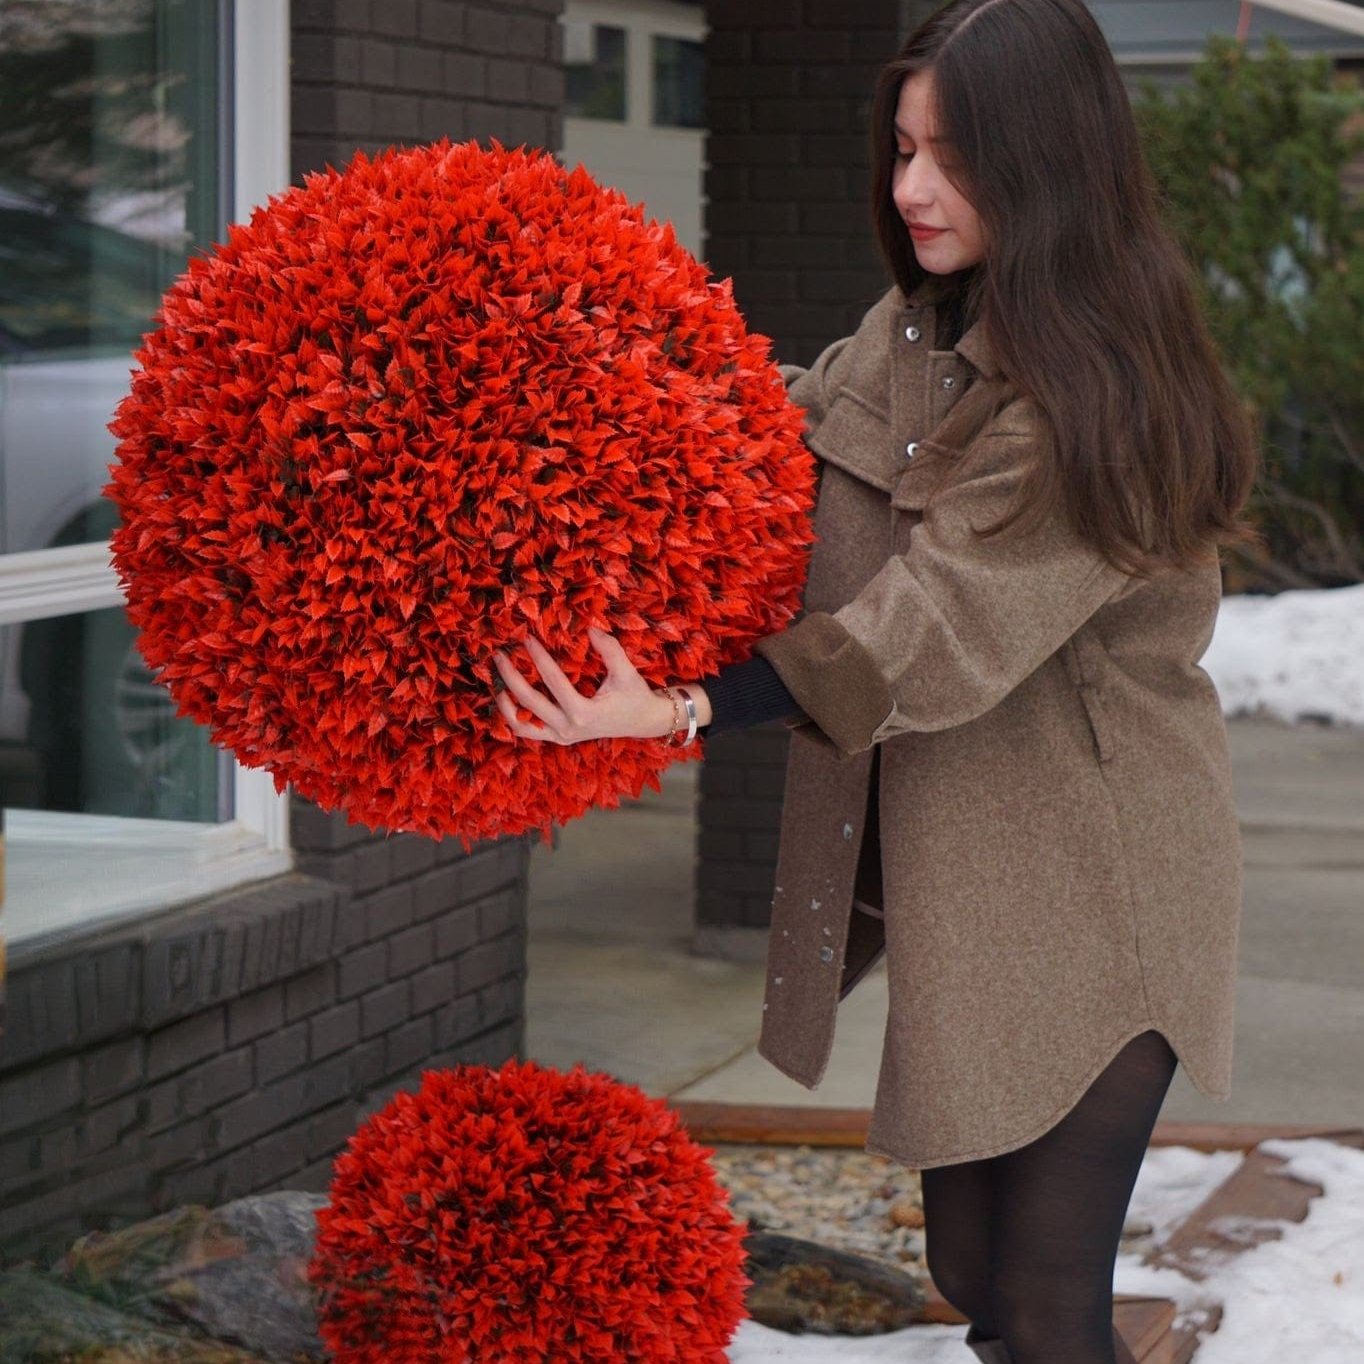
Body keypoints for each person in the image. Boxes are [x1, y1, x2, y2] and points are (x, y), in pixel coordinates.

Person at [489, 2, 1260, 1361]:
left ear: (1049, 161)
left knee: (1038, 1308)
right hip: (980, 882)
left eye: (952, 157)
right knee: (971, 1265)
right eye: (901, 147)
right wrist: (604, 365)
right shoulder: (917, 331)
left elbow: (937, 622)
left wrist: (676, 708)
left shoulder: (1106, 398)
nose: (911, 189)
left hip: (1103, 884)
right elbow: (791, 424)